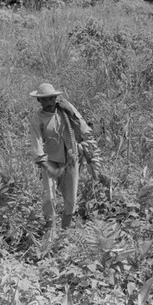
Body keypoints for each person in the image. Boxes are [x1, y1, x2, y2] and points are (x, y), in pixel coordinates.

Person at [29, 83, 92, 229]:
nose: (49, 103)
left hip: (70, 159)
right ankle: (50, 231)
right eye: (44, 100)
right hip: (50, 161)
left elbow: (82, 127)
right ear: (39, 101)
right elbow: (37, 144)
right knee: (49, 197)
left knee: (70, 199)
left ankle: (65, 232)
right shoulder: (37, 119)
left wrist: (78, 148)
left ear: (56, 98)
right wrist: (46, 166)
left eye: (51, 99)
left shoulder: (65, 110)